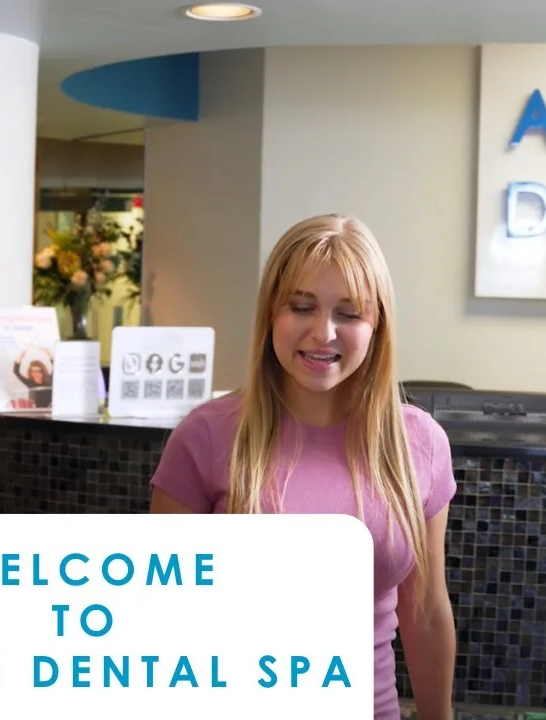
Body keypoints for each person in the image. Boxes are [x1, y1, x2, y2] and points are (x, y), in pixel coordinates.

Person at [148, 213, 457, 720]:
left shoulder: (420, 443)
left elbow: (424, 611)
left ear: (376, 324)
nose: (323, 332)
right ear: (272, 312)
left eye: (349, 313)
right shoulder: (205, 437)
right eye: (302, 307)